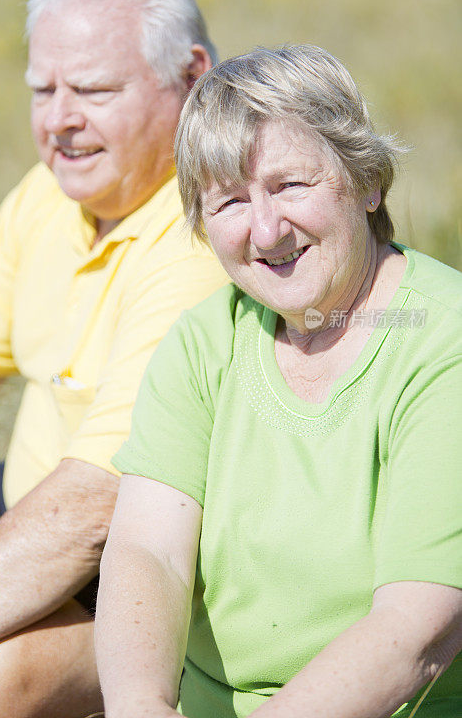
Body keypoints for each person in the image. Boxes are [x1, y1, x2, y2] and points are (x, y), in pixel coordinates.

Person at [95, 45, 462, 718]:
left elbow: (415, 632)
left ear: (365, 181)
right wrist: (140, 706)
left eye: (290, 186)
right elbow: (148, 552)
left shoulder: (444, 342)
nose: (265, 229)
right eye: (230, 200)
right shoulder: (202, 342)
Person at [0, 0, 227, 717]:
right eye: (41, 89)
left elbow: (97, 508)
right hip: (29, 501)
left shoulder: (206, 242)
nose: (59, 120)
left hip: (144, 567)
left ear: (190, 78)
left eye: (92, 90)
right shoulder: (45, 198)